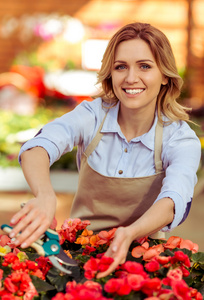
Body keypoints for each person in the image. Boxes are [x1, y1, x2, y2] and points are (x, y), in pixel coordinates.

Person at [9, 22, 201, 278]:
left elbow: (174, 199)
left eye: (145, 66)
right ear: (110, 73)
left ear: (165, 74)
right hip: (75, 253)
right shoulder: (92, 115)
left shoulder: (180, 138)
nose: (131, 78)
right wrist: (45, 196)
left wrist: (130, 232)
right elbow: (38, 146)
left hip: (143, 261)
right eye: (121, 67)